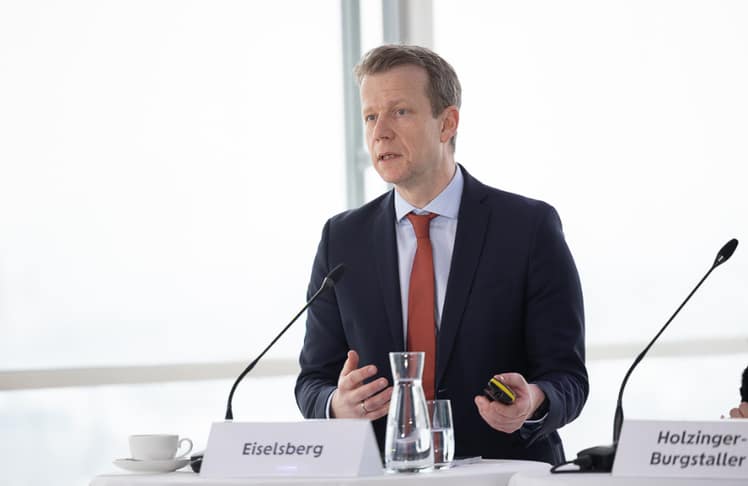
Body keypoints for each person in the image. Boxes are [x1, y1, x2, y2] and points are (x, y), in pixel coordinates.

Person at [295, 44, 588, 465]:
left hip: (504, 475)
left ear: (447, 123)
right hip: (382, 474)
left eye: (400, 112)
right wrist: (337, 405)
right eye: (370, 117)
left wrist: (533, 400)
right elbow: (313, 381)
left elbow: (568, 377)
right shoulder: (342, 238)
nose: (380, 133)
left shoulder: (528, 228)